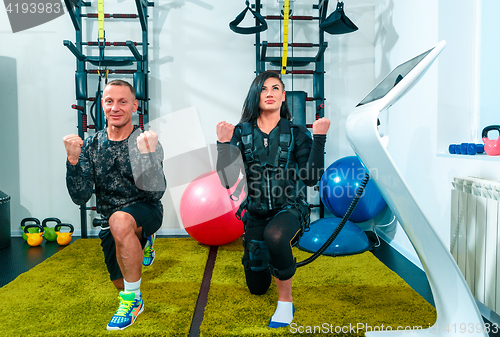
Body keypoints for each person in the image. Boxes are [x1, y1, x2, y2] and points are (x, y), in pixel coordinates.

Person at [216, 71, 330, 328]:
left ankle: (285, 302)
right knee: (257, 287)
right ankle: (270, 258)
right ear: (255, 95)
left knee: (276, 236)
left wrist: (320, 138)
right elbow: (227, 180)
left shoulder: (297, 132)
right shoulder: (240, 132)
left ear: (283, 96)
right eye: (264, 88)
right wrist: (222, 145)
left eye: (275, 88)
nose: (269, 93)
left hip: (289, 207)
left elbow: (311, 178)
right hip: (256, 212)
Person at [63, 79, 166, 331]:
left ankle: (134, 301)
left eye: (123, 102)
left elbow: (156, 194)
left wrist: (149, 156)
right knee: (120, 282)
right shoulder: (91, 145)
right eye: (110, 101)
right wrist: (72, 161)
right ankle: (140, 245)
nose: (115, 107)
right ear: (102, 104)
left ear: (134, 106)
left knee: (120, 221)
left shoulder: (145, 140)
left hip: (146, 210)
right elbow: (80, 197)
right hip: (112, 222)